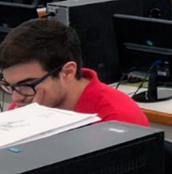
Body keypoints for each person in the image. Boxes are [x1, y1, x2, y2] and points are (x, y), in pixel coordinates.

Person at [0, 19, 148, 126]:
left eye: (27, 84)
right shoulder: (29, 104)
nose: (15, 98)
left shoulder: (116, 119)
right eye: (10, 86)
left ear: (67, 72)